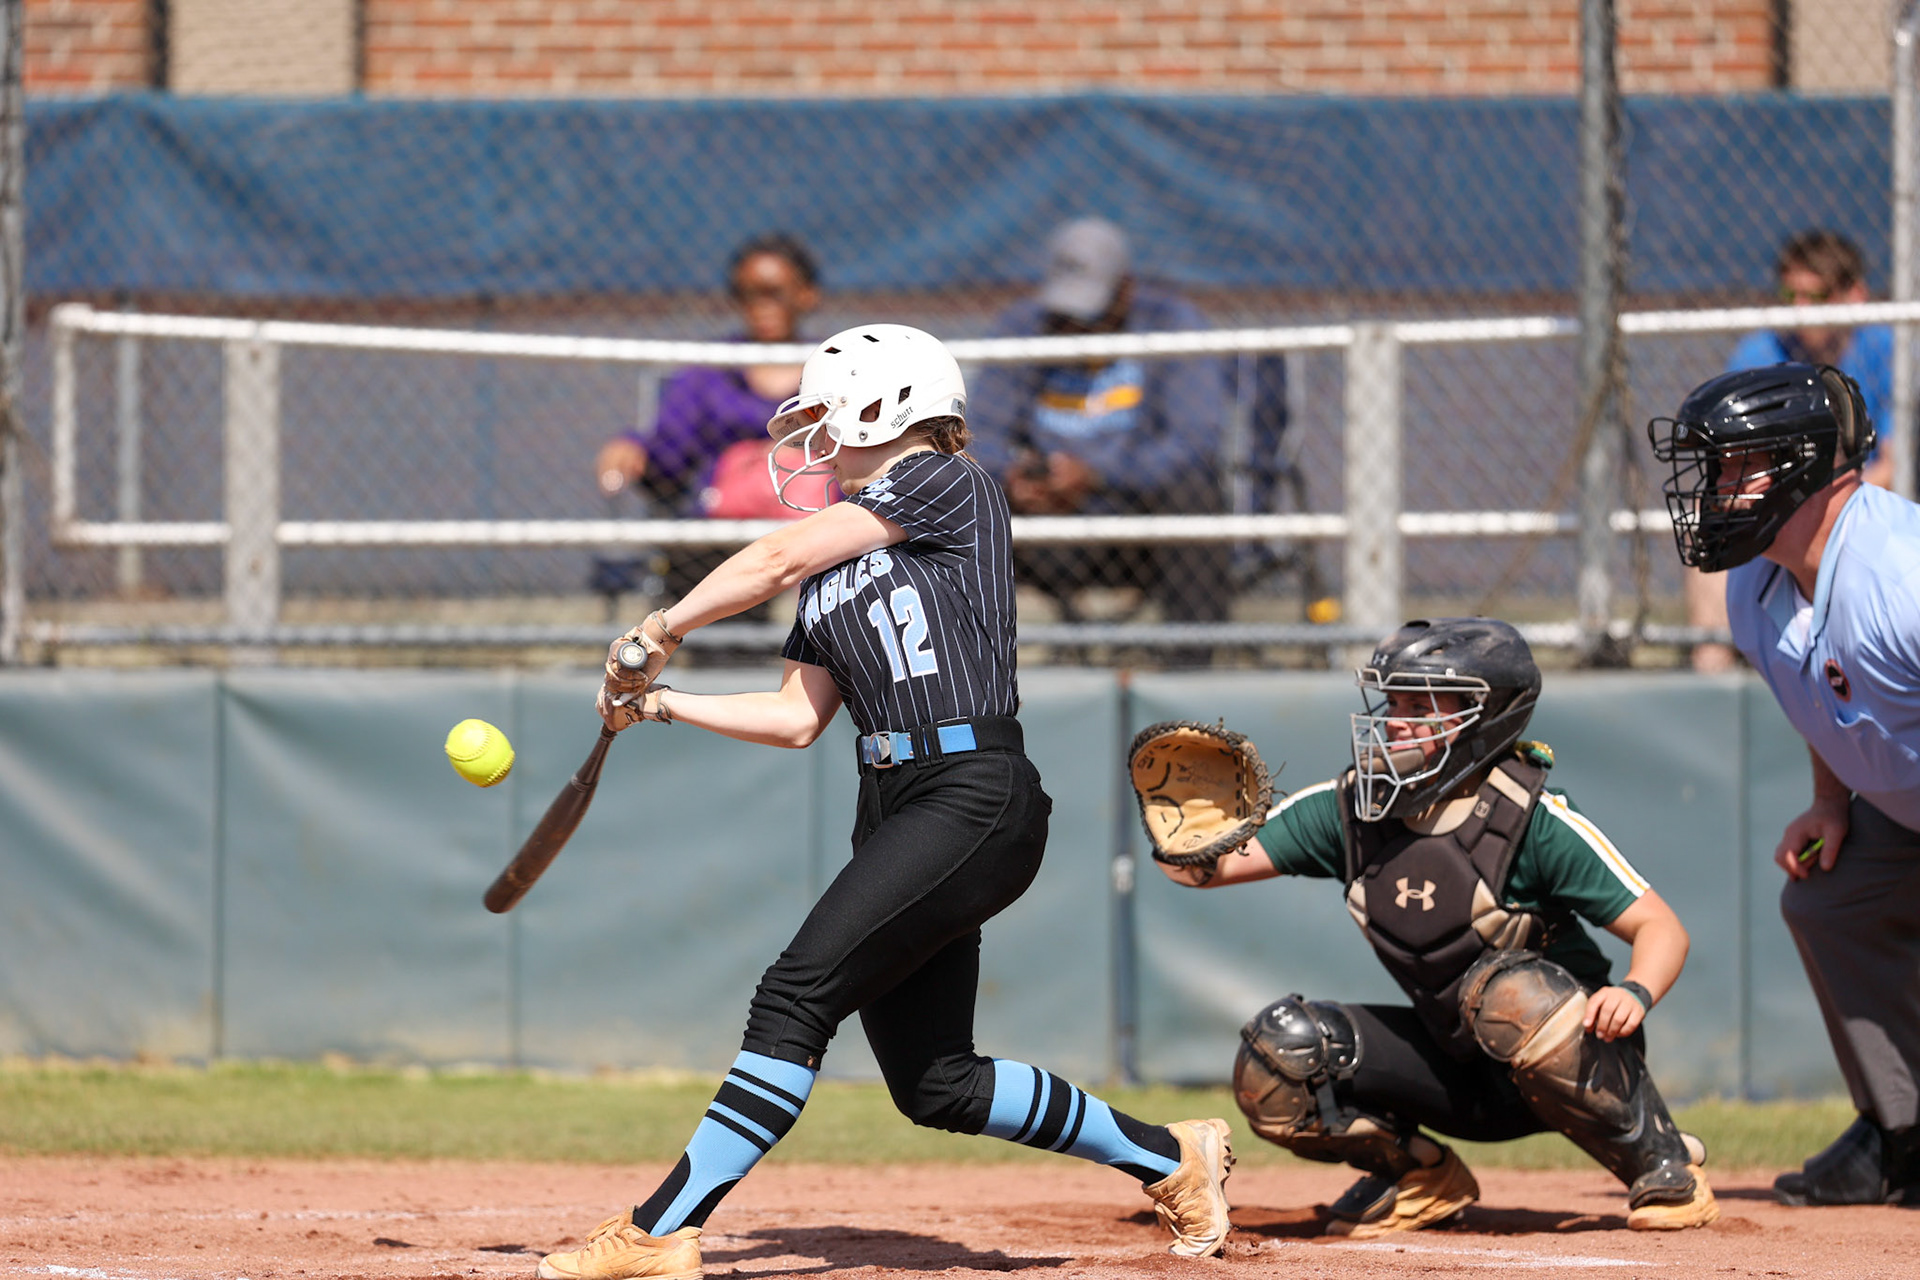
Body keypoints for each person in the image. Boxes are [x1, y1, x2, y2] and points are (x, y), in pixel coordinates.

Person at [538, 324, 1234, 1280]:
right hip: (895, 799)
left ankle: (659, 1232)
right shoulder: (833, 567)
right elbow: (793, 720)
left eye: (829, 410)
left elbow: (774, 557)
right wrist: (657, 704)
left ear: (887, 403)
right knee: (936, 1083)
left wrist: (659, 627)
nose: (813, 433)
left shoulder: (948, 482)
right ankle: (1172, 1157)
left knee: (794, 996)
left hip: (972, 790)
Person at [1154, 617, 1719, 1238]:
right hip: (1456, 1070)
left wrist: (1634, 992)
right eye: (1392, 701)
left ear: (1487, 717)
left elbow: (1661, 928)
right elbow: (1207, 870)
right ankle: (1422, 1175)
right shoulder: (1352, 810)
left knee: (1512, 995)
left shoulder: (1534, 820)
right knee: (1280, 1052)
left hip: (1575, 1065)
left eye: (1420, 705)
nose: (1395, 719)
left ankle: (1661, 1162)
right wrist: (1183, 832)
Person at [1649, 362, 1920, 1208]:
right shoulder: (1754, 586)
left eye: (1734, 466)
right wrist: (1833, 802)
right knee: (1826, 899)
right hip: (1899, 809)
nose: (1714, 491)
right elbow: (1821, 704)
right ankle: (1900, 1134)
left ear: (1801, 465)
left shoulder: (1900, 577)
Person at [966, 218, 1231, 654]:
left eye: (1090, 314)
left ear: (1125, 290)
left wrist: (1097, 476)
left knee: (1196, 491)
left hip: (1135, 522)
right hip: (1043, 522)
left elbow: (1194, 444)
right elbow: (981, 435)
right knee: (958, 489)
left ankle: (1194, 666)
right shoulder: (1022, 325)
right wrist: (1013, 478)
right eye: (1065, 315)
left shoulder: (1170, 322)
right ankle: (967, 673)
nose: (1076, 328)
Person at [1687, 229, 1893, 672]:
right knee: (1710, 529)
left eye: (1814, 296)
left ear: (1853, 296)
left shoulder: (1885, 348)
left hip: (1862, 507)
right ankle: (1714, 677)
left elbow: (1894, 466)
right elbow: (1735, 463)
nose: (1798, 309)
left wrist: (1816, 496)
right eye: (1789, 294)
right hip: (1783, 507)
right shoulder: (1761, 352)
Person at [591, 233, 833, 603]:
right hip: (722, 528)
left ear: (806, 295)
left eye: (775, 292)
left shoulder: (836, 368)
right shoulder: (709, 371)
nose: (761, 306)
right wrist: (633, 447)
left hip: (819, 524)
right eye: (747, 294)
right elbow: (669, 454)